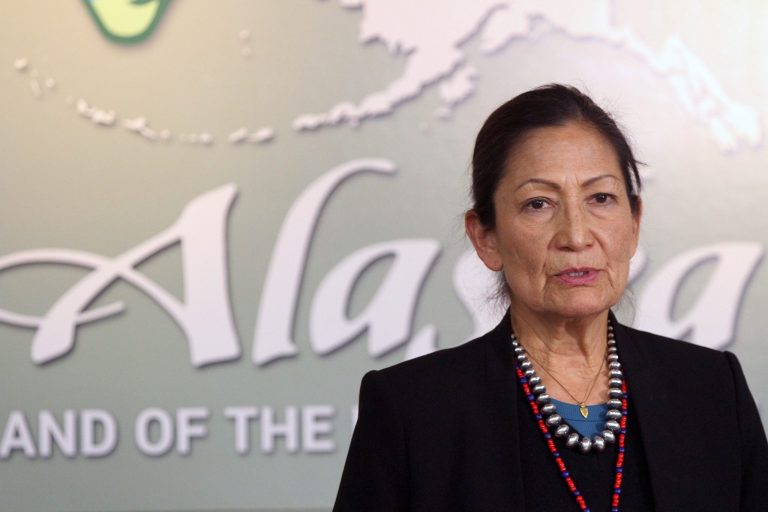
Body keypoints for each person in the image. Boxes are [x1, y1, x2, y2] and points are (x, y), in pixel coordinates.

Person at [332, 84, 768, 511]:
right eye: (538, 203)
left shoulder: (712, 390)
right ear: (486, 238)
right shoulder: (412, 410)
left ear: (634, 223)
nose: (576, 235)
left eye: (601, 198)